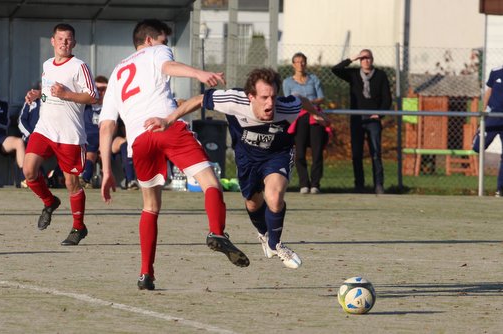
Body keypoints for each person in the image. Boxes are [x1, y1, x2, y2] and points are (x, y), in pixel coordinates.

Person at [98, 19, 249, 291]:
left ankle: (146, 274)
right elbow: (168, 67)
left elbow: (107, 125)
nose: (166, 46)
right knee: (210, 183)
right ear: (148, 40)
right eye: (164, 40)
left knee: (150, 207)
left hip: (139, 141)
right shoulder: (156, 51)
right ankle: (216, 231)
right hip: (166, 126)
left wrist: (107, 171)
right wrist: (199, 74)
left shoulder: (117, 71)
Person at [145, 67, 330, 269]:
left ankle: (276, 244)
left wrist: (316, 114)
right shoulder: (233, 100)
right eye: (264, 97)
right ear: (250, 97)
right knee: (252, 203)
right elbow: (199, 99)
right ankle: (264, 233)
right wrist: (167, 120)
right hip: (247, 158)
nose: (270, 103)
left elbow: (300, 99)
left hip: (278, 154)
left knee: (275, 197)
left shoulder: (285, 107)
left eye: (274, 97)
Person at [23, 23, 98, 246]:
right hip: (45, 129)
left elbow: (92, 96)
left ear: (74, 43)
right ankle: (49, 201)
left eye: (68, 39)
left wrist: (67, 94)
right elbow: (49, 91)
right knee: (28, 171)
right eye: (60, 39)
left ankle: (78, 227)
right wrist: (38, 94)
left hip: (69, 134)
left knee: (72, 183)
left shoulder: (79, 66)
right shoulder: (47, 64)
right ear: (52, 42)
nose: (64, 43)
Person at [331, 49, 392, 194]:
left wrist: (379, 114)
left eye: (368, 58)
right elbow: (336, 69)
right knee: (356, 154)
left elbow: (387, 98)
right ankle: (359, 185)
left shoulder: (380, 75)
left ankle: (378, 185)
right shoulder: (353, 74)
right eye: (363, 58)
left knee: (376, 153)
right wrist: (352, 58)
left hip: (373, 120)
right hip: (357, 119)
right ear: (359, 60)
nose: (366, 61)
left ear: (372, 59)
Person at [283, 52, 330, 194]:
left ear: (306, 63)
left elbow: (321, 98)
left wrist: (307, 103)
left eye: (302, 61)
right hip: (299, 118)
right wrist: (303, 104)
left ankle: (315, 184)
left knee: (317, 151)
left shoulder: (314, 79)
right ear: (293, 65)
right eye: (297, 62)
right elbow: (288, 100)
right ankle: (304, 183)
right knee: (300, 152)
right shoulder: (287, 82)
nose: (300, 64)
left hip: (315, 117)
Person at [472, 65, 503, 197]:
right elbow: (489, 91)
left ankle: (500, 189)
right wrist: (484, 110)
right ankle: (478, 135)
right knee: (478, 147)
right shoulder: (496, 72)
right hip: (492, 117)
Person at [0, 77, 26, 180]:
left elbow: (6, 123)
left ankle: (25, 179)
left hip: (0, 138)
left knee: (19, 142)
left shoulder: (3, 105)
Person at [80, 75, 108, 188]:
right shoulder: (85, 107)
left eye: (103, 89)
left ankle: (130, 181)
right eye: (97, 89)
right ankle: (85, 179)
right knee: (90, 152)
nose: (100, 92)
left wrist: (104, 144)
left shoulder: (110, 107)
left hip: (105, 140)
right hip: (87, 141)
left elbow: (116, 128)